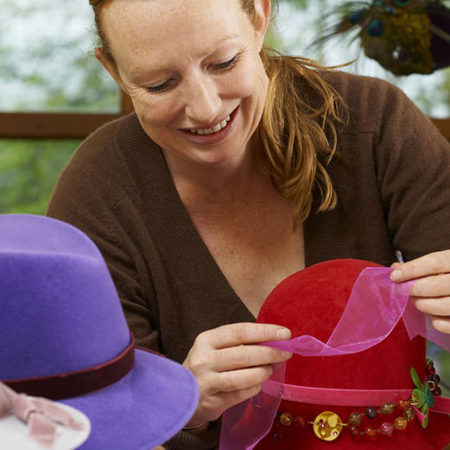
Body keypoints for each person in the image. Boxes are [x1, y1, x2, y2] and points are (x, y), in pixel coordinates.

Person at [47, 0, 450, 448]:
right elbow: (86, 419)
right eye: (159, 84)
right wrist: (178, 402)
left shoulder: (375, 124)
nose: (204, 108)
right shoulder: (98, 195)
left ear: (259, 17)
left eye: (223, 62)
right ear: (114, 71)